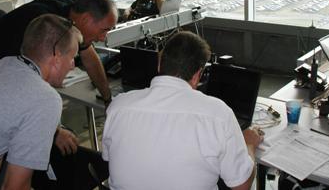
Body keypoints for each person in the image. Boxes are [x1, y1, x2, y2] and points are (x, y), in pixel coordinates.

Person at [102, 31, 263, 190]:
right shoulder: (218, 114)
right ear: (197, 75)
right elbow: (242, 186)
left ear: (159, 64)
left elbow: (109, 158)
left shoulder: (118, 107)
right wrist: (249, 144)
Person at [0, 14, 82, 189]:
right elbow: (16, 186)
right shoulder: (45, 99)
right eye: (72, 57)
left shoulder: (3, 65)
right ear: (56, 57)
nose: (72, 66)